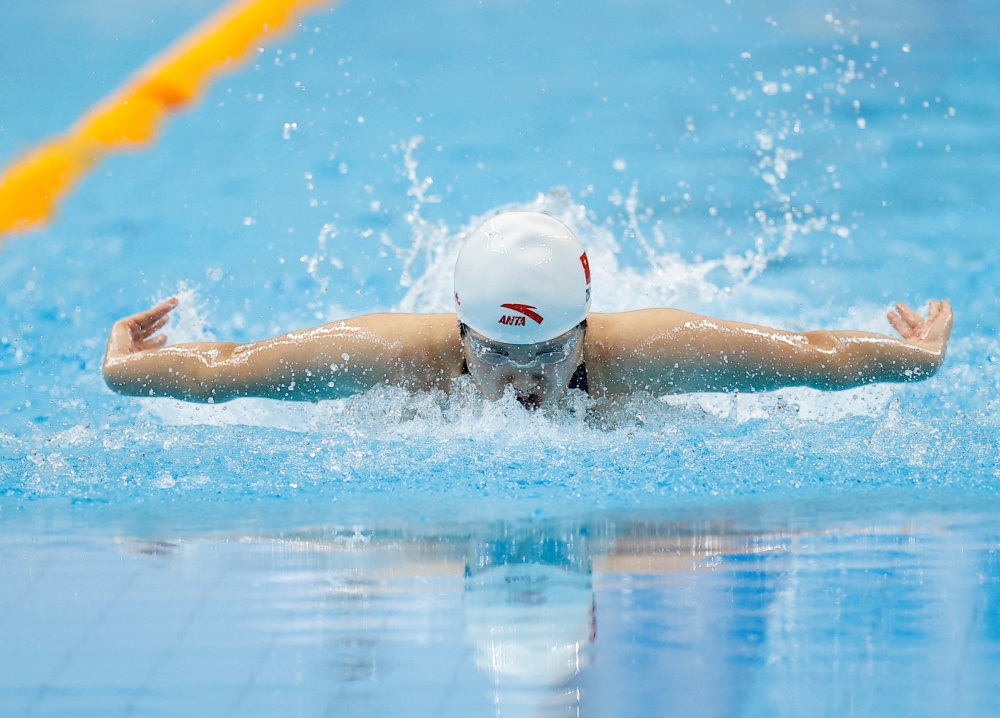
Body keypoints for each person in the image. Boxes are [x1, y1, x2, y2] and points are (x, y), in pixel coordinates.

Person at [103, 212, 953, 411]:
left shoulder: (645, 351)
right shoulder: (392, 355)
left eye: (547, 351)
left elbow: (809, 355)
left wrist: (912, 358)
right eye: (497, 354)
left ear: (583, 328)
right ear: (459, 330)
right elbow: (232, 369)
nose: (523, 380)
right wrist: (127, 369)